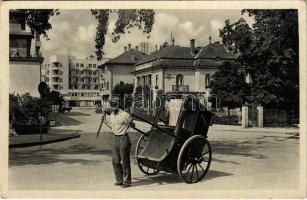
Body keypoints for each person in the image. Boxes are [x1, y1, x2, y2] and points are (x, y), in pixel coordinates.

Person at [100, 96, 134, 188]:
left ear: (118, 104)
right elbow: (113, 127)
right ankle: (119, 180)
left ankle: (127, 181)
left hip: (124, 138)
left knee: (125, 161)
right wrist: (104, 121)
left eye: (114, 104)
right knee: (115, 160)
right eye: (111, 104)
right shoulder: (111, 115)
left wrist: (131, 122)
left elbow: (132, 124)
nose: (113, 106)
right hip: (115, 138)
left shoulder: (124, 115)